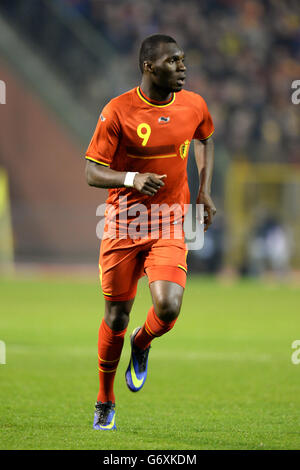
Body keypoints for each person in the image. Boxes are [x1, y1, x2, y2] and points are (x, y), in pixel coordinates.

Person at [85, 34, 216, 430]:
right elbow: (91, 171)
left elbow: (205, 138)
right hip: (124, 223)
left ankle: (142, 344)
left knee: (168, 306)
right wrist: (131, 177)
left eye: (183, 60)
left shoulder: (194, 105)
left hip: (171, 219)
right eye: (173, 61)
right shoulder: (117, 111)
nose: (182, 67)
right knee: (116, 315)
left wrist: (205, 190)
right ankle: (105, 398)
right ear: (149, 67)